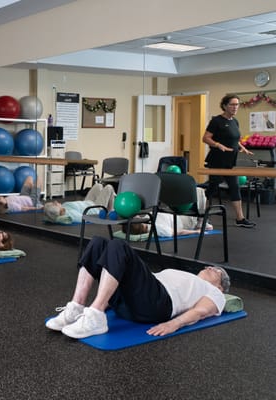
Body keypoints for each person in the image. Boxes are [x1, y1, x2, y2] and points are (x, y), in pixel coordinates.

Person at [45, 236, 229, 339]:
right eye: (210, 266)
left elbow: (201, 311)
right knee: (98, 242)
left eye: (217, 271)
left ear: (220, 287)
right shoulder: (187, 276)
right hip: (135, 302)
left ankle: (96, 316)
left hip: (157, 305)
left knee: (119, 246)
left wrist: (174, 324)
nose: (210, 267)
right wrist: (111, 302)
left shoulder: (214, 293)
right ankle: (76, 308)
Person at [202, 93, 255, 228]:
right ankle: (202, 215)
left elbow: (234, 139)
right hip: (217, 161)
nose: (235, 107)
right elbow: (206, 138)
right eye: (232, 104)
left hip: (230, 161)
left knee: (234, 187)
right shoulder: (216, 121)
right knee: (212, 188)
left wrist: (242, 147)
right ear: (225, 106)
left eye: (237, 104)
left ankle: (240, 218)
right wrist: (218, 145)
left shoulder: (234, 121)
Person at [43, 183, 116, 223]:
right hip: (96, 209)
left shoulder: (64, 206)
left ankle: (111, 197)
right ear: (57, 209)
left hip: (88, 202)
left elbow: (48, 216)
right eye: (54, 204)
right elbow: (82, 218)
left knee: (98, 186)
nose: (55, 202)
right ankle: (110, 211)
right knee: (109, 187)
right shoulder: (69, 214)